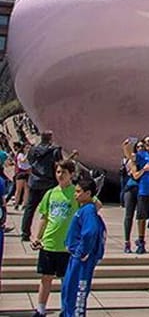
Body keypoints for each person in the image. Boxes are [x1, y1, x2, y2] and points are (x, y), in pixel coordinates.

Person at [30, 160, 80, 317]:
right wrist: (37, 237)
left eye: (63, 172)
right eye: (58, 172)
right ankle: (41, 309)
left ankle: (66, 309)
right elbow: (44, 216)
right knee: (46, 278)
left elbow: (94, 206)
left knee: (66, 280)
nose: (60, 175)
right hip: (49, 243)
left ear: (71, 174)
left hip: (67, 245)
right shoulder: (51, 193)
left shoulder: (76, 193)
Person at [60, 177, 106, 317]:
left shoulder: (88, 211)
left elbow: (90, 231)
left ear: (88, 193)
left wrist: (82, 251)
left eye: (79, 192)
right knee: (68, 290)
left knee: (76, 293)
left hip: (81, 260)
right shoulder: (84, 209)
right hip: (75, 258)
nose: (76, 194)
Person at [21, 131, 63, 242]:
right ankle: (46, 233)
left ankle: (25, 233)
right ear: (50, 138)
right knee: (49, 210)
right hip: (49, 183)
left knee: (30, 208)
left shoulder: (33, 150)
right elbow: (59, 165)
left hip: (34, 182)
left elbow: (29, 161)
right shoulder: (55, 151)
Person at [121, 139, 146, 253]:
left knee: (142, 217)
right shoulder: (133, 160)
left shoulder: (147, 160)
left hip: (143, 190)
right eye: (139, 147)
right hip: (131, 189)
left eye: (142, 146)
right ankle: (127, 242)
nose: (141, 148)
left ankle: (141, 241)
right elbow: (128, 154)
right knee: (128, 215)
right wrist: (126, 145)